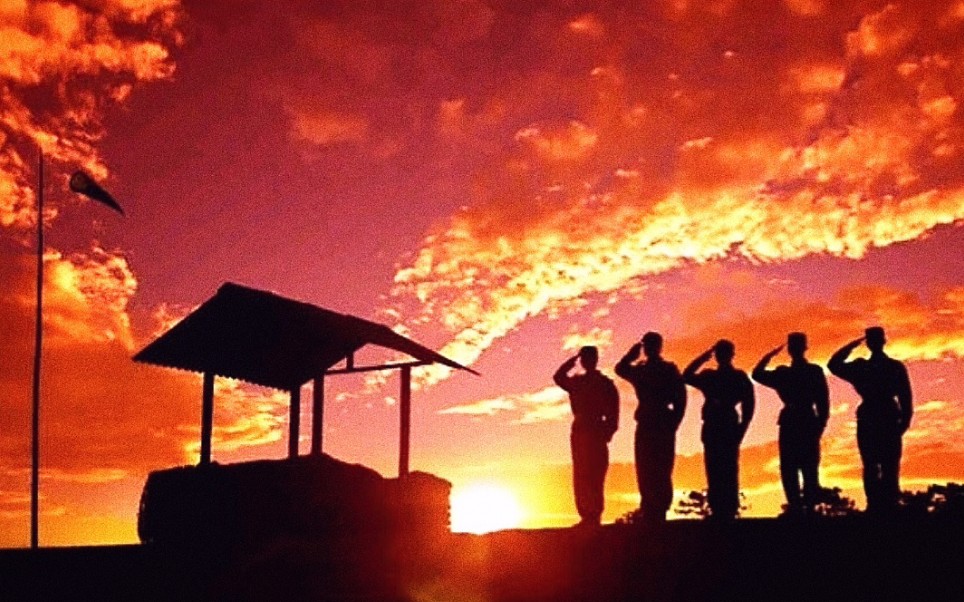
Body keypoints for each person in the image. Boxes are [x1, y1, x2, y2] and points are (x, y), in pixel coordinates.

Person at [828, 327, 912, 515]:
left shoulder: (879, 367)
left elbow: (906, 397)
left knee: (882, 464)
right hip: (879, 416)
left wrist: (851, 346)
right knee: (877, 464)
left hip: (882, 416)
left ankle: (884, 504)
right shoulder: (875, 367)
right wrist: (905, 420)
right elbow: (833, 365)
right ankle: (880, 504)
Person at [752, 333, 830, 514]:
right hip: (796, 421)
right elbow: (756, 375)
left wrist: (820, 425)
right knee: (791, 466)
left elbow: (823, 402)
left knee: (807, 466)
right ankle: (797, 505)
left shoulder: (811, 371)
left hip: (803, 421)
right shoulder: (786, 373)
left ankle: (808, 505)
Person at [615, 332, 686, 523]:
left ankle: (659, 508)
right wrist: (631, 356)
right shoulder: (643, 369)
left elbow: (680, 398)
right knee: (645, 467)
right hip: (648, 422)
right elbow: (620, 369)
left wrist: (674, 423)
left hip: (661, 422)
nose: (648, 348)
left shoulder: (667, 369)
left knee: (661, 468)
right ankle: (650, 507)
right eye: (646, 345)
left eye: (650, 345)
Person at [684, 340, 755, 520]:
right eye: (718, 353)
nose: (720, 356)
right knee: (715, 468)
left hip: (727, 425)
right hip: (715, 426)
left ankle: (729, 508)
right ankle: (718, 507)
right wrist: (703, 357)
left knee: (728, 468)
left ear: (731, 354)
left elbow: (749, 405)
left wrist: (742, 429)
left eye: (723, 353)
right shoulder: (710, 376)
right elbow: (686, 376)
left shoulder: (738, 377)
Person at [554, 346, 620, 527]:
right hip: (581, 431)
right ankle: (587, 515)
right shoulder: (578, 382)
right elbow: (558, 377)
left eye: (587, 358)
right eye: (583, 358)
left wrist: (608, 432)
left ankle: (594, 514)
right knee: (582, 474)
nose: (585, 361)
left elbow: (614, 411)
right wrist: (573, 361)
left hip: (595, 429)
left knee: (595, 473)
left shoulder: (604, 383)